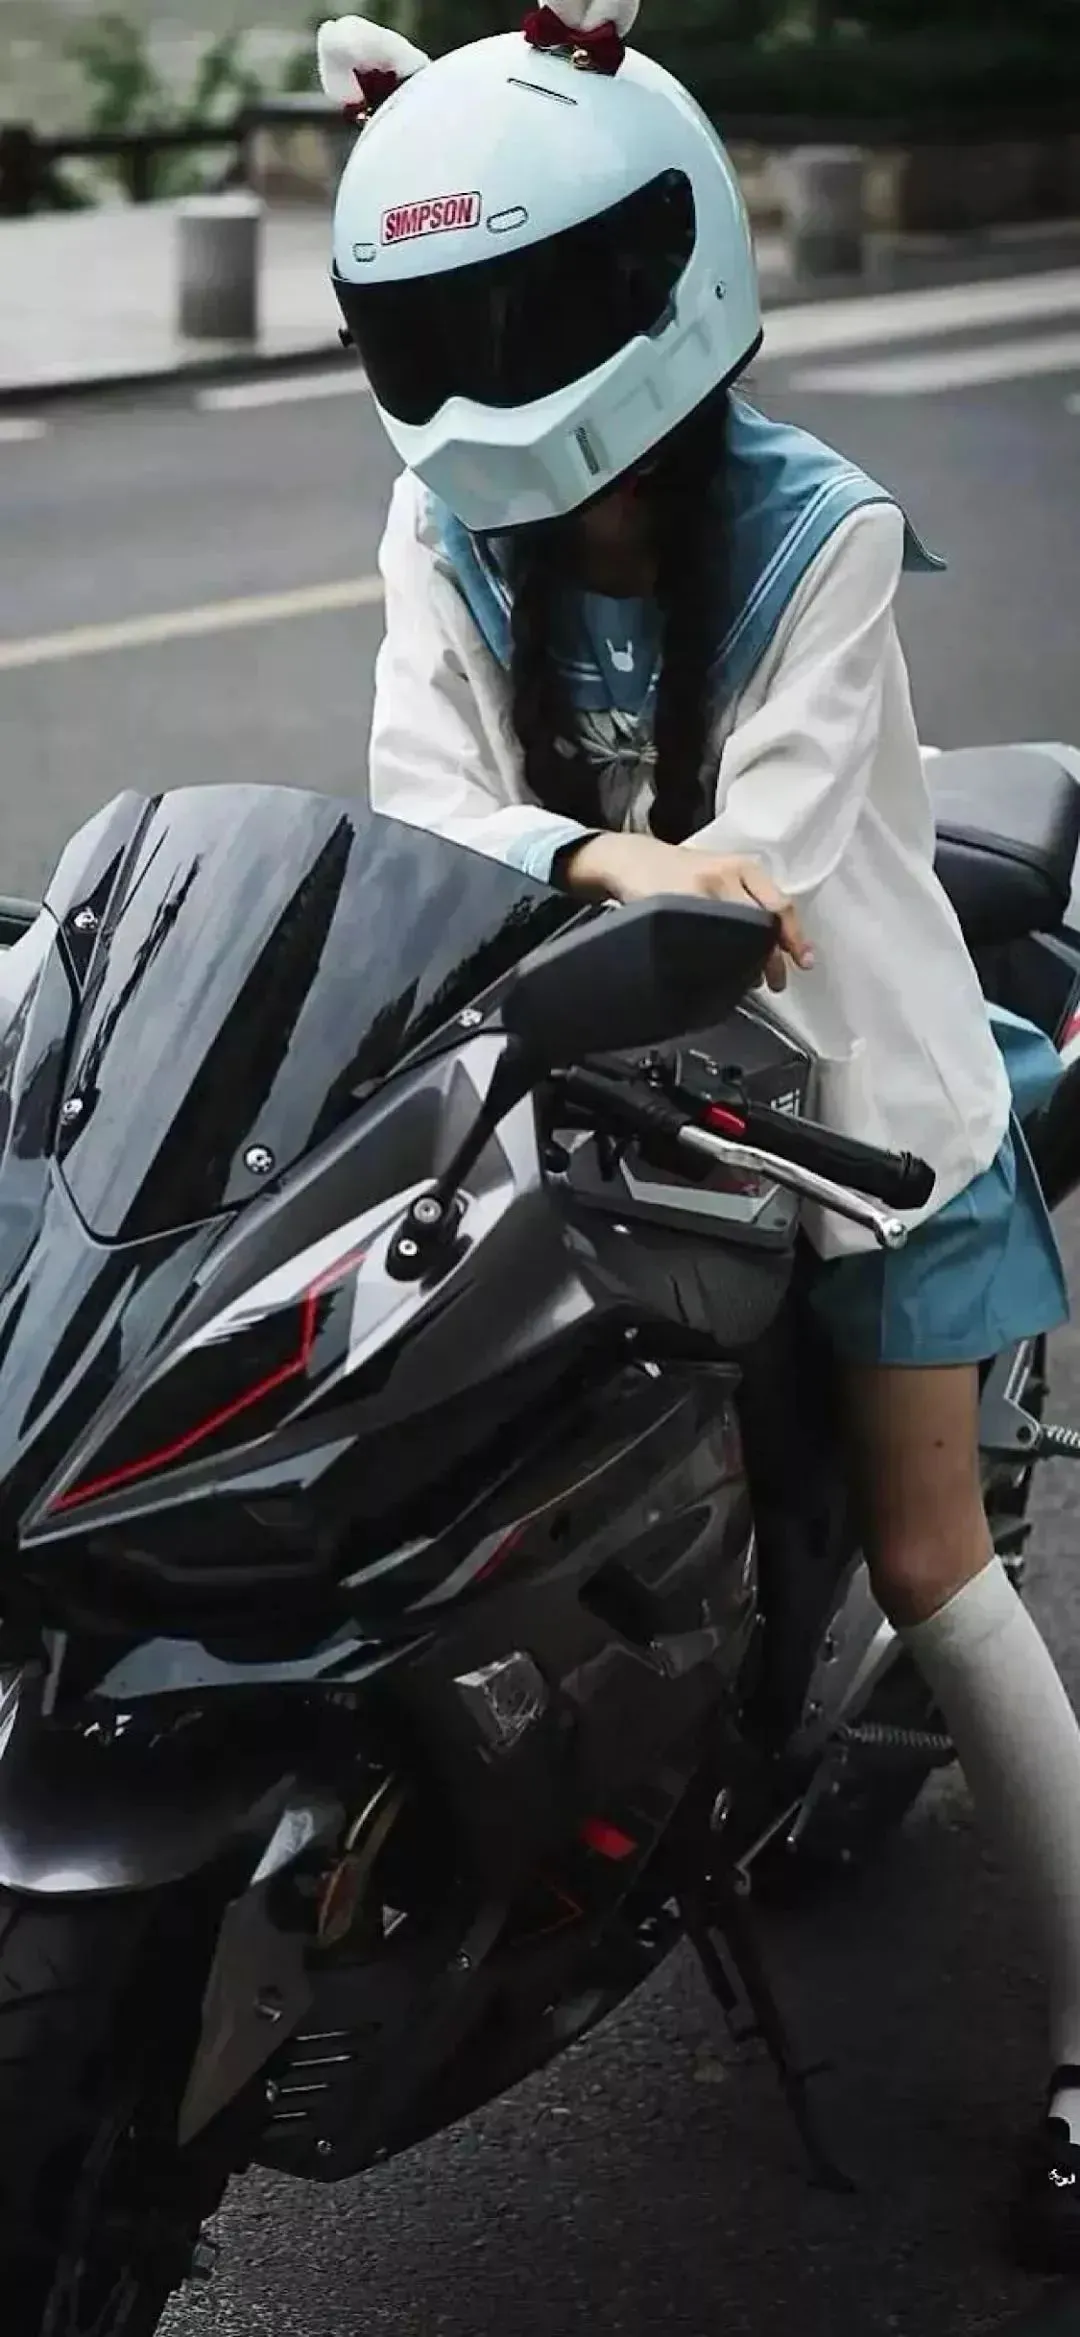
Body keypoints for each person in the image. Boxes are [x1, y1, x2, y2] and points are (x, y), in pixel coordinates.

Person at [319, 1, 1080, 2260]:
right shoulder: (438, 521)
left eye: (530, 311)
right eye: (437, 330)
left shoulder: (819, 536)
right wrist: (600, 867)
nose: (484, 376)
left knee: (937, 1572)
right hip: (588, 1066)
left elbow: (768, 865)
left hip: (857, 1110)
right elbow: (419, 796)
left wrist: (620, 870)